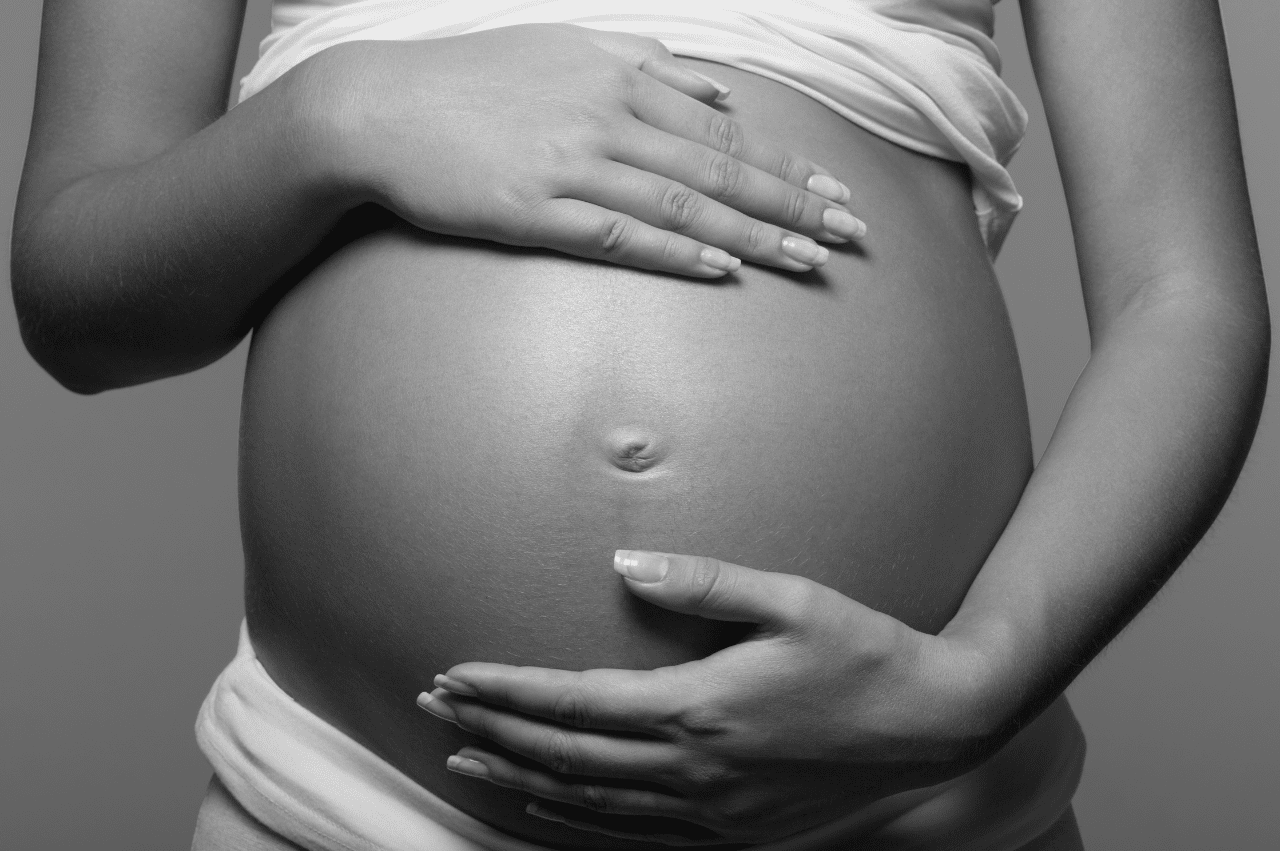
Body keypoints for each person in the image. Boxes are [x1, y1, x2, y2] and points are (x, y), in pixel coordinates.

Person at [10, 1, 1268, 850]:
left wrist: (973, 684)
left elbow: (1184, 295)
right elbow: (77, 300)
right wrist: (331, 117)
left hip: (904, 797)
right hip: (350, 800)